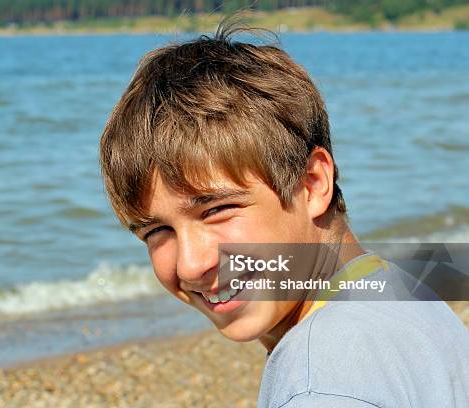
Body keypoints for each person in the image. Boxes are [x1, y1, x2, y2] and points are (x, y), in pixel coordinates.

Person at [98, 16, 469, 408]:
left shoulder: (320, 378)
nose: (190, 265)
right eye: (156, 232)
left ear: (312, 184)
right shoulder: (402, 292)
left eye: (218, 209)